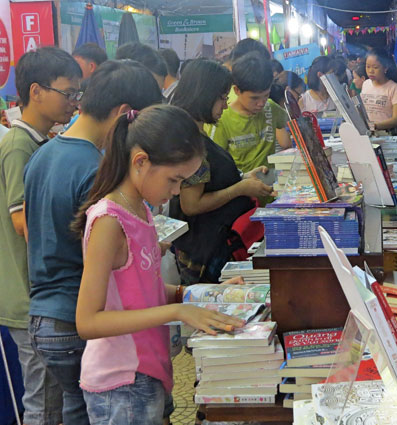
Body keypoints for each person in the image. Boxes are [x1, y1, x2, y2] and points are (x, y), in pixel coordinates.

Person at [69, 104, 245, 425]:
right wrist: (177, 311)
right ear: (140, 162)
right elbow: (88, 321)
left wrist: (201, 295)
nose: (177, 191)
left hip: (147, 371)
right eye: (174, 180)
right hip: (120, 382)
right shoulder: (109, 220)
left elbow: (140, 290)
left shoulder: (141, 209)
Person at [24, 60, 163, 425]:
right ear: (123, 115)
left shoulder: (44, 153)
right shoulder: (96, 170)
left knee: (74, 409)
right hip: (79, 316)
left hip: (44, 315)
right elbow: (104, 256)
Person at [0, 46, 81, 425]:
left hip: (40, 293)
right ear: (36, 91)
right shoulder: (18, 145)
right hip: (27, 297)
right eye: (67, 93)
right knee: (44, 403)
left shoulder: (41, 140)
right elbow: (23, 224)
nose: (73, 102)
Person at [169, 59, 273, 284]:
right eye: (222, 98)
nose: (225, 105)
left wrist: (244, 178)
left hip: (213, 243)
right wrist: (239, 188)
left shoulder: (194, 132)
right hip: (203, 250)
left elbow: (212, 182)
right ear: (205, 94)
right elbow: (191, 204)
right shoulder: (190, 141)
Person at [209, 52, 291, 174]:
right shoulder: (222, 120)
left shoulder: (270, 107)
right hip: (240, 188)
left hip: (272, 186)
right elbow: (216, 164)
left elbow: (295, 123)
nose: (261, 103)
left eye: (266, 95)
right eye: (254, 98)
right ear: (236, 90)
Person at [361, 48, 397, 131]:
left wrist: (375, 126)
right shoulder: (366, 84)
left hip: (386, 134)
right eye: (368, 67)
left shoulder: (394, 88)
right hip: (367, 133)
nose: (370, 71)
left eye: (375, 67)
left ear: (385, 68)